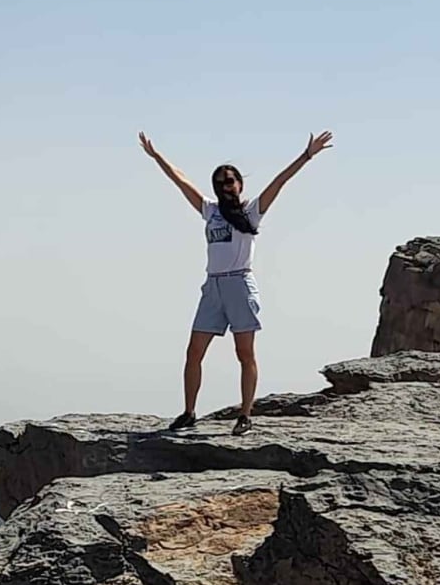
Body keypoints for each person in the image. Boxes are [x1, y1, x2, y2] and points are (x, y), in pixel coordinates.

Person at [138, 130, 333, 435]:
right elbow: (180, 181)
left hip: (239, 285)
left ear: (240, 183)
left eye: (230, 181)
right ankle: (189, 412)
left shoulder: (251, 212)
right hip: (213, 286)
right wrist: (156, 156)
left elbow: (279, 181)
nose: (225, 186)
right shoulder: (210, 211)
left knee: (244, 354)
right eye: (220, 182)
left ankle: (245, 414)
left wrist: (307, 155)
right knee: (194, 352)